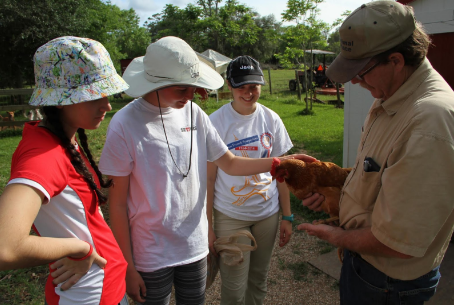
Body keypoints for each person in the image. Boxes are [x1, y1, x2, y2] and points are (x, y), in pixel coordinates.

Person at [98, 36, 315, 305]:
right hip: (150, 253)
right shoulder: (124, 124)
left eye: (193, 87)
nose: (191, 96)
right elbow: (116, 205)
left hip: (194, 247)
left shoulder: (194, 113)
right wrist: (127, 266)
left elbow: (230, 163)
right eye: (181, 90)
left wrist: (280, 162)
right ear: (156, 83)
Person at [297, 2, 454, 305]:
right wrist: (325, 178)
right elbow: (374, 175)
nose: (355, 80)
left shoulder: (429, 121)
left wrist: (336, 236)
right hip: (367, 267)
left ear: (395, 60)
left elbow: (400, 242)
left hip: (388, 284)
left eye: (361, 71)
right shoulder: (391, 95)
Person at [0, 36, 129, 304]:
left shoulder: (60, 140)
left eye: (106, 94)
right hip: (88, 295)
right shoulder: (43, 155)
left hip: (102, 288)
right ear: (59, 100)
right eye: (93, 95)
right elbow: (5, 247)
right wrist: (80, 249)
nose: (106, 105)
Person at [206, 55, 293, 305]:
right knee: (233, 289)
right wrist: (209, 226)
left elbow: (282, 173)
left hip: (268, 214)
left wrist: (287, 216)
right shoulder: (216, 122)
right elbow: (209, 178)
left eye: (253, 86)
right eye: (241, 87)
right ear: (229, 86)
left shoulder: (271, 119)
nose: (248, 92)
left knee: (258, 280)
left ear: (261, 85)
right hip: (231, 215)